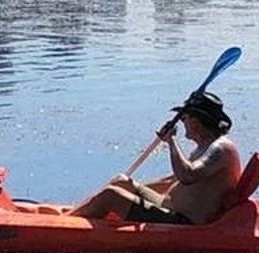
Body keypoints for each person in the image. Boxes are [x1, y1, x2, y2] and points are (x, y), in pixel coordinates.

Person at [73, 90, 242, 225]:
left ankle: (66, 225)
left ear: (196, 121)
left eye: (184, 118)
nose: (182, 122)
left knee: (111, 195)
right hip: (167, 206)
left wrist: (172, 141)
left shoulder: (221, 148)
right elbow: (174, 179)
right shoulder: (205, 147)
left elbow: (187, 176)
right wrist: (130, 188)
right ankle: (70, 216)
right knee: (121, 181)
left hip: (182, 221)